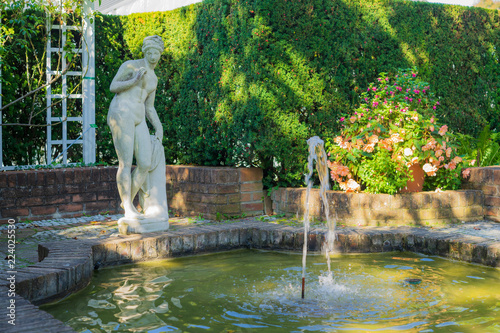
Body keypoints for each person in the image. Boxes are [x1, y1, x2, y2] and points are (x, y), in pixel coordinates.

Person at [107, 35, 165, 220]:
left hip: (139, 117)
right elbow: (113, 86)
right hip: (121, 113)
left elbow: (149, 107)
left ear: (160, 54)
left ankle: (127, 202)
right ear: (145, 52)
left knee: (145, 163)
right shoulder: (130, 65)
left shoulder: (154, 79)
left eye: (156, 52)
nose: (153, 56)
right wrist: (134, 79)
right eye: (150, 52)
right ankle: (129, 209)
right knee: (125, 163)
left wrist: (158, 126)